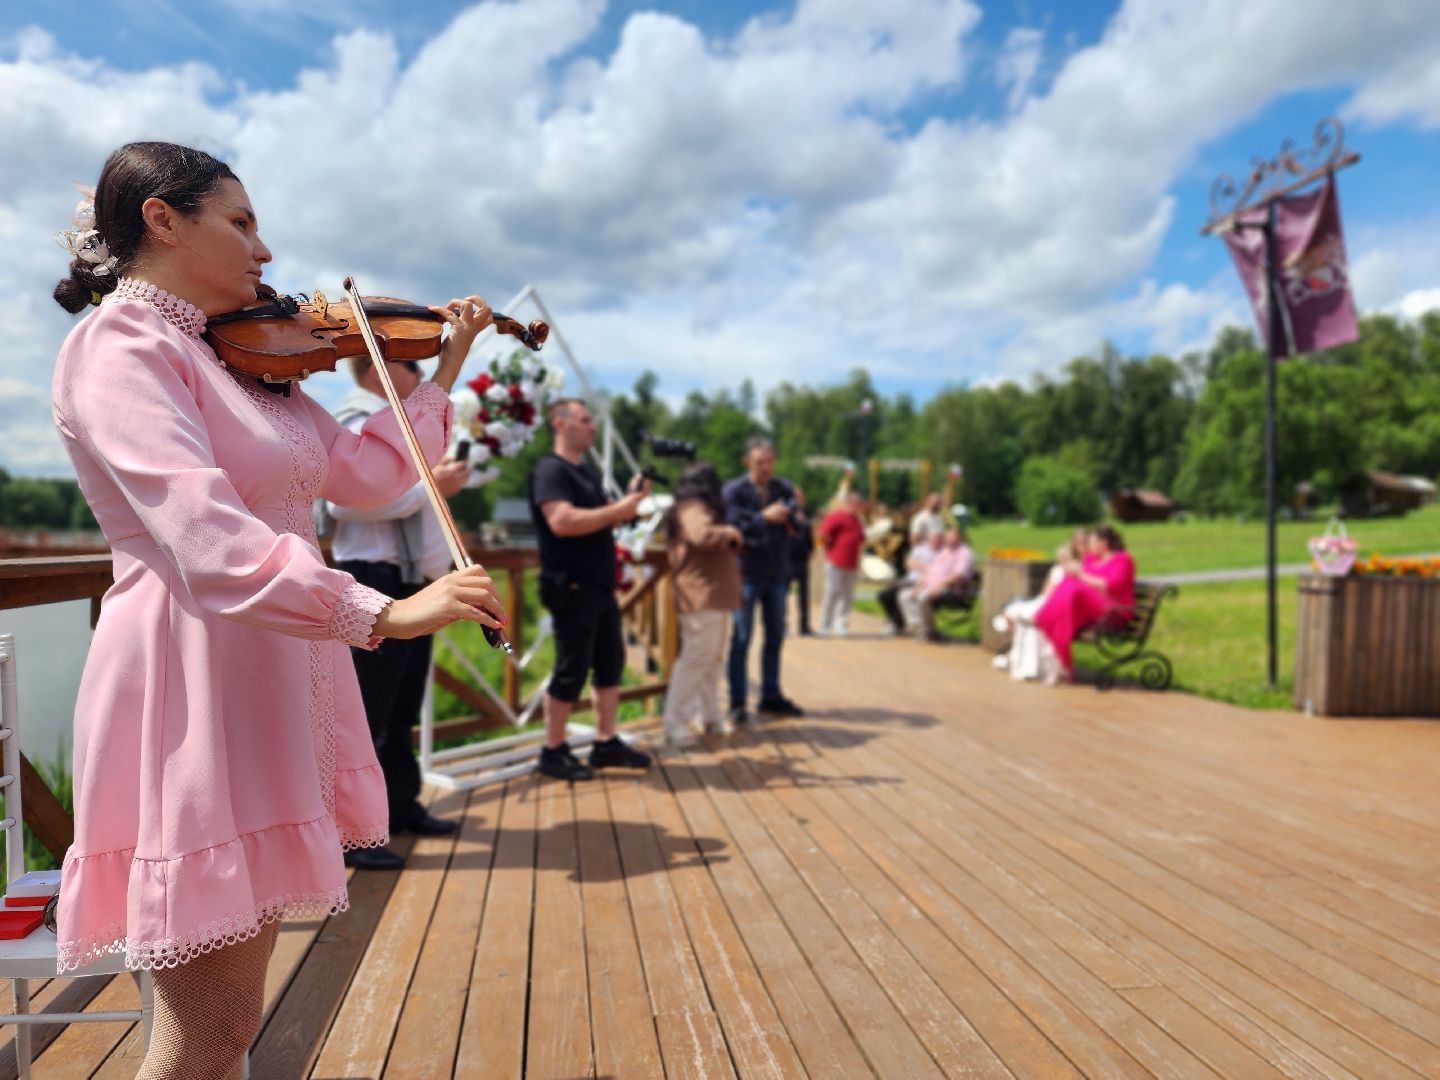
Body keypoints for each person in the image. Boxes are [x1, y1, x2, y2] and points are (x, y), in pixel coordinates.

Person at [49, 141, 505, 1078]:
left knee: (228, 1028)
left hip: (271, 667)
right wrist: (385, 613)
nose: (265, 251)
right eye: (241, 222)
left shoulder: (247, 360)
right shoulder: (121, 345)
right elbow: (206, 541)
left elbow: (376, 480)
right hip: (193, 677)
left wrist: (442, 371)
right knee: (203, 1037)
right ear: (162, 220)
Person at [324, 342, 487, 870]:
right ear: (377, 368)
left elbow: (402, 493)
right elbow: (346, 501)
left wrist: (437, 484)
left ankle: (400, 805)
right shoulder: (354, 418)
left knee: (399, 706)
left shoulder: (391, 421)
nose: (419, 372)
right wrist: (429, 487)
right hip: (375, 578)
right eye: (410, 363)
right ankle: (353, 834)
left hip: (410, 579)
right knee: (368, 711)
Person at [529, 398, 654, 780]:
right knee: (571, 668)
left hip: (598, 586)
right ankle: (552, 750)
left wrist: (624, 504)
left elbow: (596, 520)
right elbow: (562, 522)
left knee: (610, 663)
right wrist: (618, 511)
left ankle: (604, 743)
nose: (593, 428)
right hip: (572, 585)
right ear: (560, 423)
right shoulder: (551, 470)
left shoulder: (584, 474)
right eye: (585, 421)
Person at [661, 462, 743, 747]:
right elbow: (701, 535)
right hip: (702, 596)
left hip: (711, 597)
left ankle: (711, 715)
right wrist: (730, 533)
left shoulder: (687, 507)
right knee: (696, 660)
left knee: (710, 660)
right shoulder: (693, 507)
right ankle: (675, 722)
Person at [723, 437, 804, 723]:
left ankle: (770, 695)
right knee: (741, 638)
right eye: (759, 462)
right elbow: (730, 525)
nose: (765, 467)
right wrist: (764, 517)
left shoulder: (783, 488)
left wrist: (795, 519)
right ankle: (737, 701)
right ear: (747, 461)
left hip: (777, 572)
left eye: (769, 461)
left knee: (775, 636)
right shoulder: (734, 490)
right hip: (745, 572)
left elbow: (797, 524)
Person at [1034, 524, 1136, 683]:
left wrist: (1080, 574)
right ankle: (1048, 624)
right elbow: (1079, 580)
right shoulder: (1091, 558)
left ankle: (1063, 663)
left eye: (1092, 541)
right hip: (1089, 608)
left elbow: (1111, 586)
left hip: (1114, 610)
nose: (1089, 545)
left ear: (1104, 542)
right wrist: (1075, 573)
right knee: (1067, 585)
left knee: (1072, 588)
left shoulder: (1123, 559)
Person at [992, 528, 1089, 682]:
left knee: (1030, 619)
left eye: (1083, 543)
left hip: (1064, 608)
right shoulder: (1060, 569)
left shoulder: (1081, 566)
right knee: (1019, 614)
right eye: (1077, 543)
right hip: (1050, 602)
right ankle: (1018, 657)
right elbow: (1046, 591)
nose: (1080, 546)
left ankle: (1022, 659)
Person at [817, 490, 866, 636]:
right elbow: (823, 534)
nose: (857, 507)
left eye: (859, 504)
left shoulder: (858, 520)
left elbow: (861, 538)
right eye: (855, 503)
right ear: (848, 503)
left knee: (847, 595)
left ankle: (841, 624)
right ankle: (825, 624)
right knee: (832, 592)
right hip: (835, 561)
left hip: (851, 563)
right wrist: (829, 549)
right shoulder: (837, 516)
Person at [915, 526, 976, 641]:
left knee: (923, 598)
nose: (948, 539)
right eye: (947, 536)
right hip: (937, 587)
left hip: (954, 591)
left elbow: (959, 575)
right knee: (909, 595)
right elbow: (932, 569)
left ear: (960, 538)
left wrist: (940, 585)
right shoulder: (945, 551)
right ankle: (922, 629)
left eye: (951, 536)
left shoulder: (965, 553)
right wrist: (922, 584)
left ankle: (930, 632)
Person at [878, 530, 937, 635]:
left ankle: (895, 624)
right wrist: (924, 566)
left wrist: (918, 565)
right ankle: (894, 621)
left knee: (893, 593)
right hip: (908, 579)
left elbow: (933, 570)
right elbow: (908, 564)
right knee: (884, 593)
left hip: (919, 582)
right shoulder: (920, 549)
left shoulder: (940, 553)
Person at [786, 484, 815, 635]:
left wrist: (811, 549)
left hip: (802, 559)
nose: (799, 499)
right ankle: (783, 626)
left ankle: (804, 626)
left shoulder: (806, 514)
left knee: (804, 595)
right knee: (783, 594)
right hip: (788, 558)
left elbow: (809, 534)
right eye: (796, 497)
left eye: (801, 497)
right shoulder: (786, 514)